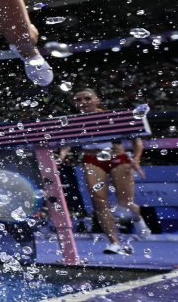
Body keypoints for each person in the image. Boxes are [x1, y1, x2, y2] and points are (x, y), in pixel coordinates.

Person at [59, 88, 149, 255]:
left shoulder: (113, 117)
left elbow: (137, 139)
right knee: (99, 203)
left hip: (117, 158)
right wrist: (61, 156)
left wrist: (136, 159)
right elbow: (67, 142)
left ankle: (137, 217)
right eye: (78, 100)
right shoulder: (73, 121)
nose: (83, 102)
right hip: (92, 160)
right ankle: (114, 242)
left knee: (125, 203)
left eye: (87, 98)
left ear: (97, 100)